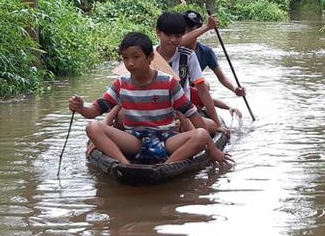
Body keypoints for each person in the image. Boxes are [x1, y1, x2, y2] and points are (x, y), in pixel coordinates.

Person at [69, 32, 231, 165]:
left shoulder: (169, 83)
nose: (130, 63)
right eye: (125, 58)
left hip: (166, 139)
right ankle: (124, 164)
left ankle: (167, 166)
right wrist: (81, 107)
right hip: (134, 140)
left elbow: (192, 114)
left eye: (136, 57)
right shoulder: (121, 84)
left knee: (201, 134)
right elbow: (95, 111)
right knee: (93, 127)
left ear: (150, 58)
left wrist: (212, 149)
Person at [153, 12, 231, 136]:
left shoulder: (188, 55)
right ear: (158, 32)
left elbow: (202, 90)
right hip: (152, 110)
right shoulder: (148, 54)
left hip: (181, 113)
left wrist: (218, 123)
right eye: (168, 35)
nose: (173, 40)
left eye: (177, 36)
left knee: (212, 127)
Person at [181, 10, 246, 98]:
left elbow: (222, 77)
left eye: (190, 28)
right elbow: (180, 42)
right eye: (184, 28)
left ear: (198, 30)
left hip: (193, 87)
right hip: (177, 88)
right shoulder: (174, 48)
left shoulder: (206, 52)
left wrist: (235, 89)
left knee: (205, 85)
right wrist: (208, 27)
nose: (186, 31)